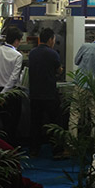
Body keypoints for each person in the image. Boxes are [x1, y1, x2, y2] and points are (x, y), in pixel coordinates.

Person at [28, 28, 64, 158]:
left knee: (35, 123)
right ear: (50, 39)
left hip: (35, 94)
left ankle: (34, 150)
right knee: (55, 123)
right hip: (49, 94)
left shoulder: (32, 53)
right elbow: (59, 70)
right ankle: (57, 151)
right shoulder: (53, 54)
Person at [0, 27, 24, 147]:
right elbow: (14, 77)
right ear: (16, 40)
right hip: (13, 92)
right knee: (14, 123)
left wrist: (1, 94)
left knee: (3, 121)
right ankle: (12, 149)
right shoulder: (17, 55)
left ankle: (4, 148)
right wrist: (5, 92)